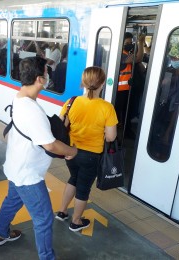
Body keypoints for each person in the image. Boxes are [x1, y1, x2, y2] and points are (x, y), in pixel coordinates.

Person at [0, 57, 77, 260]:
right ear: (40, 79)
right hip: (28, 175)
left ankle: (1, 234)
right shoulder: (32, 110)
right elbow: (49, 144)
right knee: (44, 219)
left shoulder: (20, 97)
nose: (49, 77)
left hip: (15, 166)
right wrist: (72, 151)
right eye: (47, 74)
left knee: (12, 201)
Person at [57, 67, 117, 231]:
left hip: (71, 153)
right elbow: (111, 137)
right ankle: (76, 221)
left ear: (83, 82)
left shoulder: (71, 102)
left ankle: (62, 211)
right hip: (91, 156)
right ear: (102, 83)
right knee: (83, 187)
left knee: (73, 179)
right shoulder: (107, 107)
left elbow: (61, 126)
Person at [116, 32, 145, 140]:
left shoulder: (127, 53)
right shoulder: (121, 54)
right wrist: (141, 42)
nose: (129, 44)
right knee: (117, 114)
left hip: (126, 90)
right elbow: (138, 59)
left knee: (126, 113)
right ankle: (115, 136)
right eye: (126, 43)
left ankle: (126, 131)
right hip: (118, 91)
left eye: (130, 42)